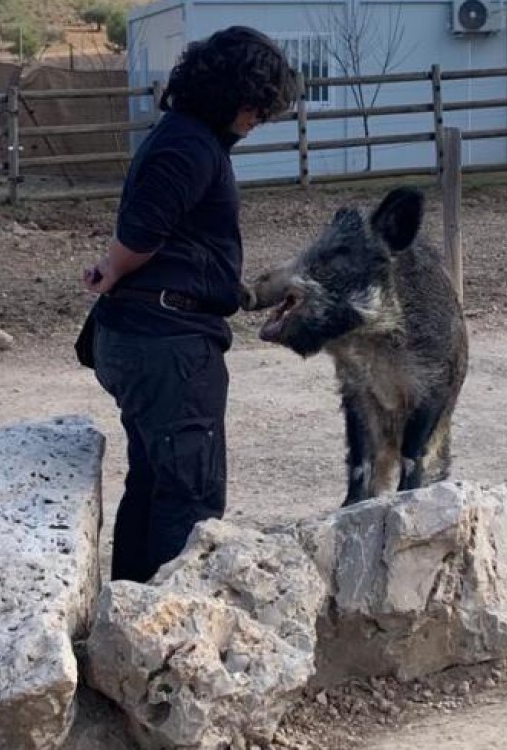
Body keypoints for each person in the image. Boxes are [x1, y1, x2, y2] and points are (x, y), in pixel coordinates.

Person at [81, 26, 296, 583]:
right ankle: (168, 622)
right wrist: (115, 266)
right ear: (230, 95)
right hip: (169, 343)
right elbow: (141, 233)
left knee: (154, 482)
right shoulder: (188, 146)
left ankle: (128, 609)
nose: (259, 118)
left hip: (152, 334)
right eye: (256, 105)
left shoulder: (185, 138)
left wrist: (114, 267)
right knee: (190, 497)